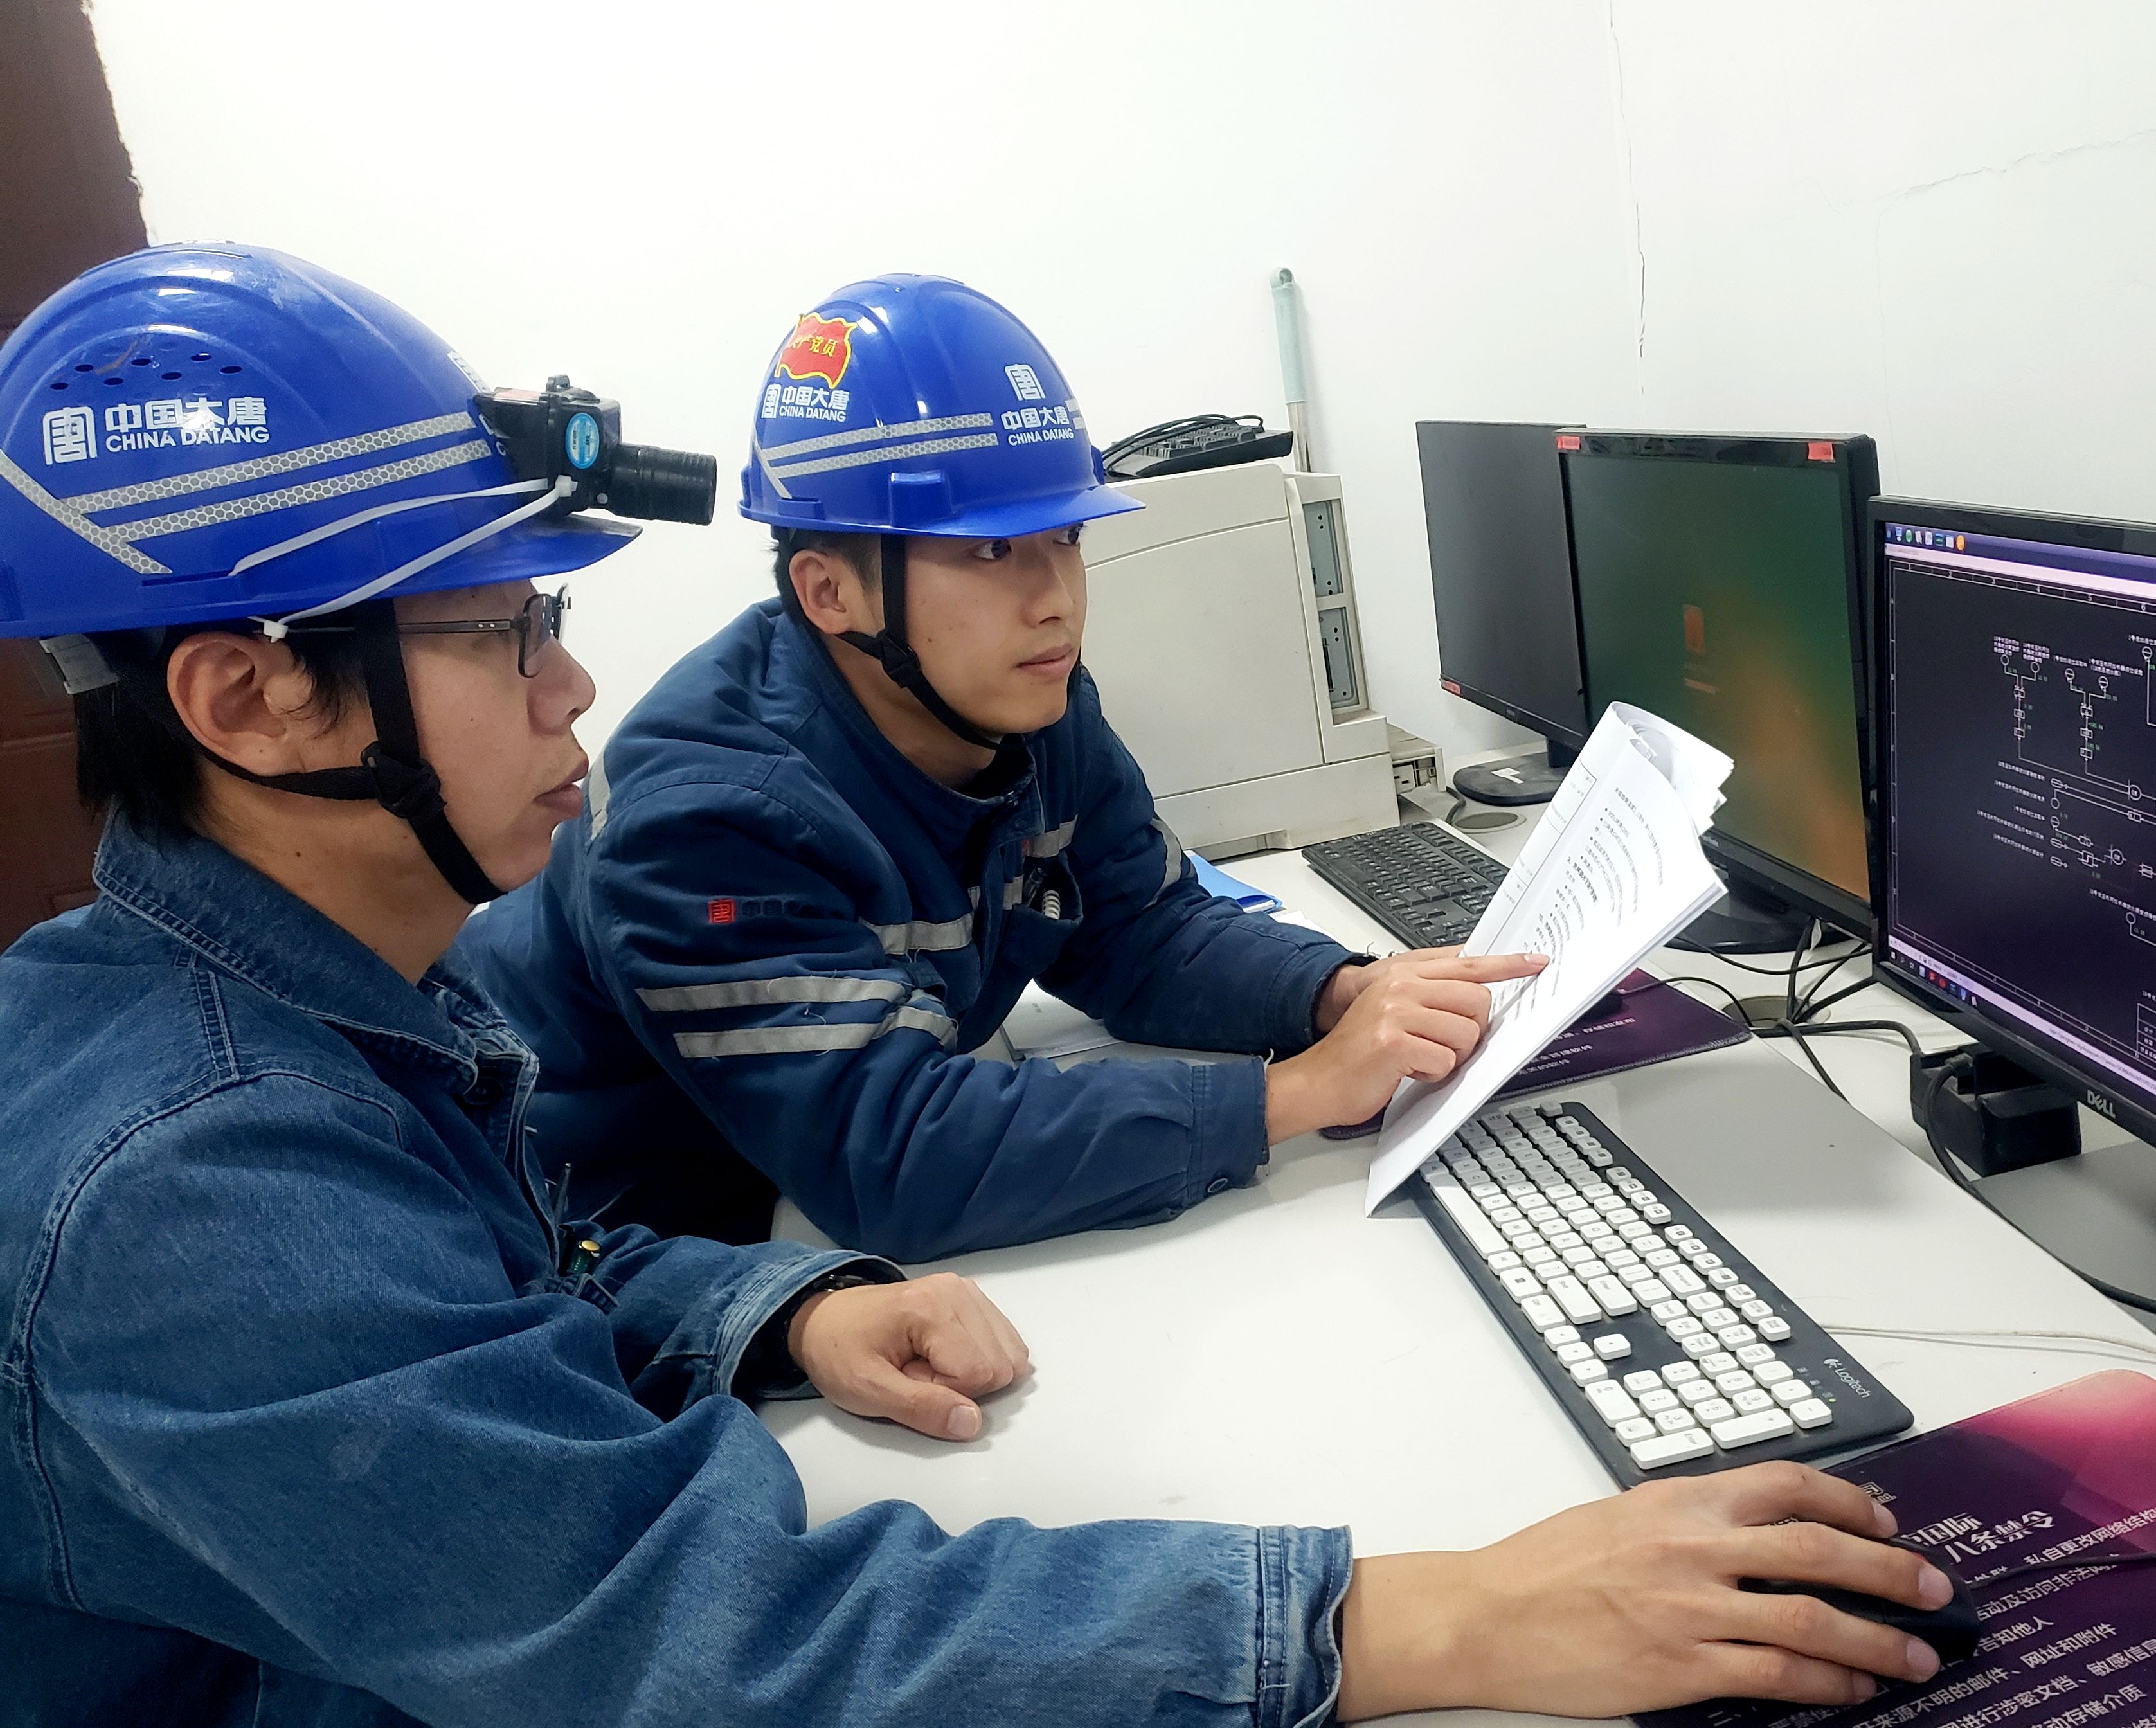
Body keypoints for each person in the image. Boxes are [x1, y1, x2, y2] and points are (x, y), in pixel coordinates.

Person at [0, 244, 1957, 1726]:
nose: (571, 684)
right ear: (251, 697)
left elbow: (517, 1275)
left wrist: (779, 1308)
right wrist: (1421, 1616)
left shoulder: (333, 1008)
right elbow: (700, 1642)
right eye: (506, 630)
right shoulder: (197, 1189)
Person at [458, 273, 1536, 1253]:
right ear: (830, 592)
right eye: (990, 551)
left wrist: (1337, 993)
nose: (1054, 598)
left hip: (780, 1199)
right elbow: (890, 1154)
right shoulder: (711, 814)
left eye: (1066, 538)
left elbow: (1138, 930)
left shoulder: (1023, 702)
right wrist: (1298, 1094)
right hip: (609, 1246)